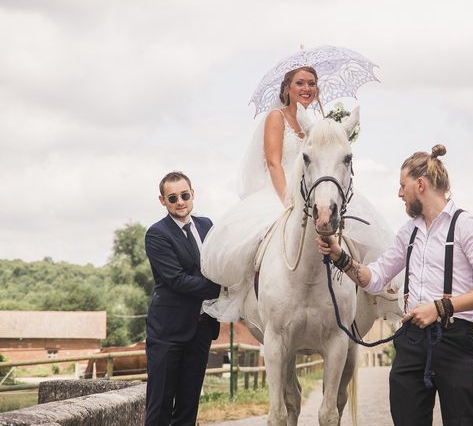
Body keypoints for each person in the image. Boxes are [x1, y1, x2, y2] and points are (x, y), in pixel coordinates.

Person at [317, 145, 473, 426]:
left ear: (420, 184)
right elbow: (376, 278)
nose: (399, 193)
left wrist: (441, 307)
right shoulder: (408, 232)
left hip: (454, 341)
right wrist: (340, 257)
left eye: (402, 185)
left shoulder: (466, 225)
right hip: (411, 342)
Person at [201, 66, 394, 321]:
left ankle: (371, 297)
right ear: (287, 88)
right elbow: (273, 163)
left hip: (319, 188)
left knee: (361, 231)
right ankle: (249, 294)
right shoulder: (276, 117)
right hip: (283, 190)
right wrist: (288, 200)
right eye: (300, 83)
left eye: (312, 84)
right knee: (253, 243)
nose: (306, 89)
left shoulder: (318, 123)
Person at [144, 171, 221, 426]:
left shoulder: (207, 226)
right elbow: (176, 280)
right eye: (173, 197)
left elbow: (220, 263)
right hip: (168, 332)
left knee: (188, 407)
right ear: (162, 201)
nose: (180, 201)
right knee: (160, 407)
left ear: (193, 194)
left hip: (201, 330)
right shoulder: (157, 234)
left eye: (184, 195)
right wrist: (221, 288)